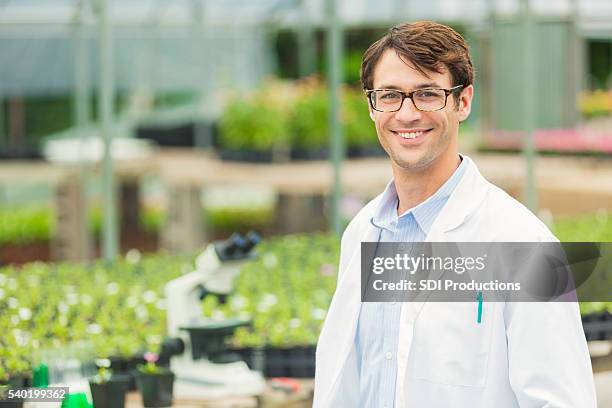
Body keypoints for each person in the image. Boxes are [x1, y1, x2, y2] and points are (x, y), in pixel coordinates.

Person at [313, 21, 596, 407]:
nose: (407, 113)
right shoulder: (364, 232)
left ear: (463, 102)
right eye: (390, 95)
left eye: (428, 94)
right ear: (371, 105)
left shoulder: (524, 244)